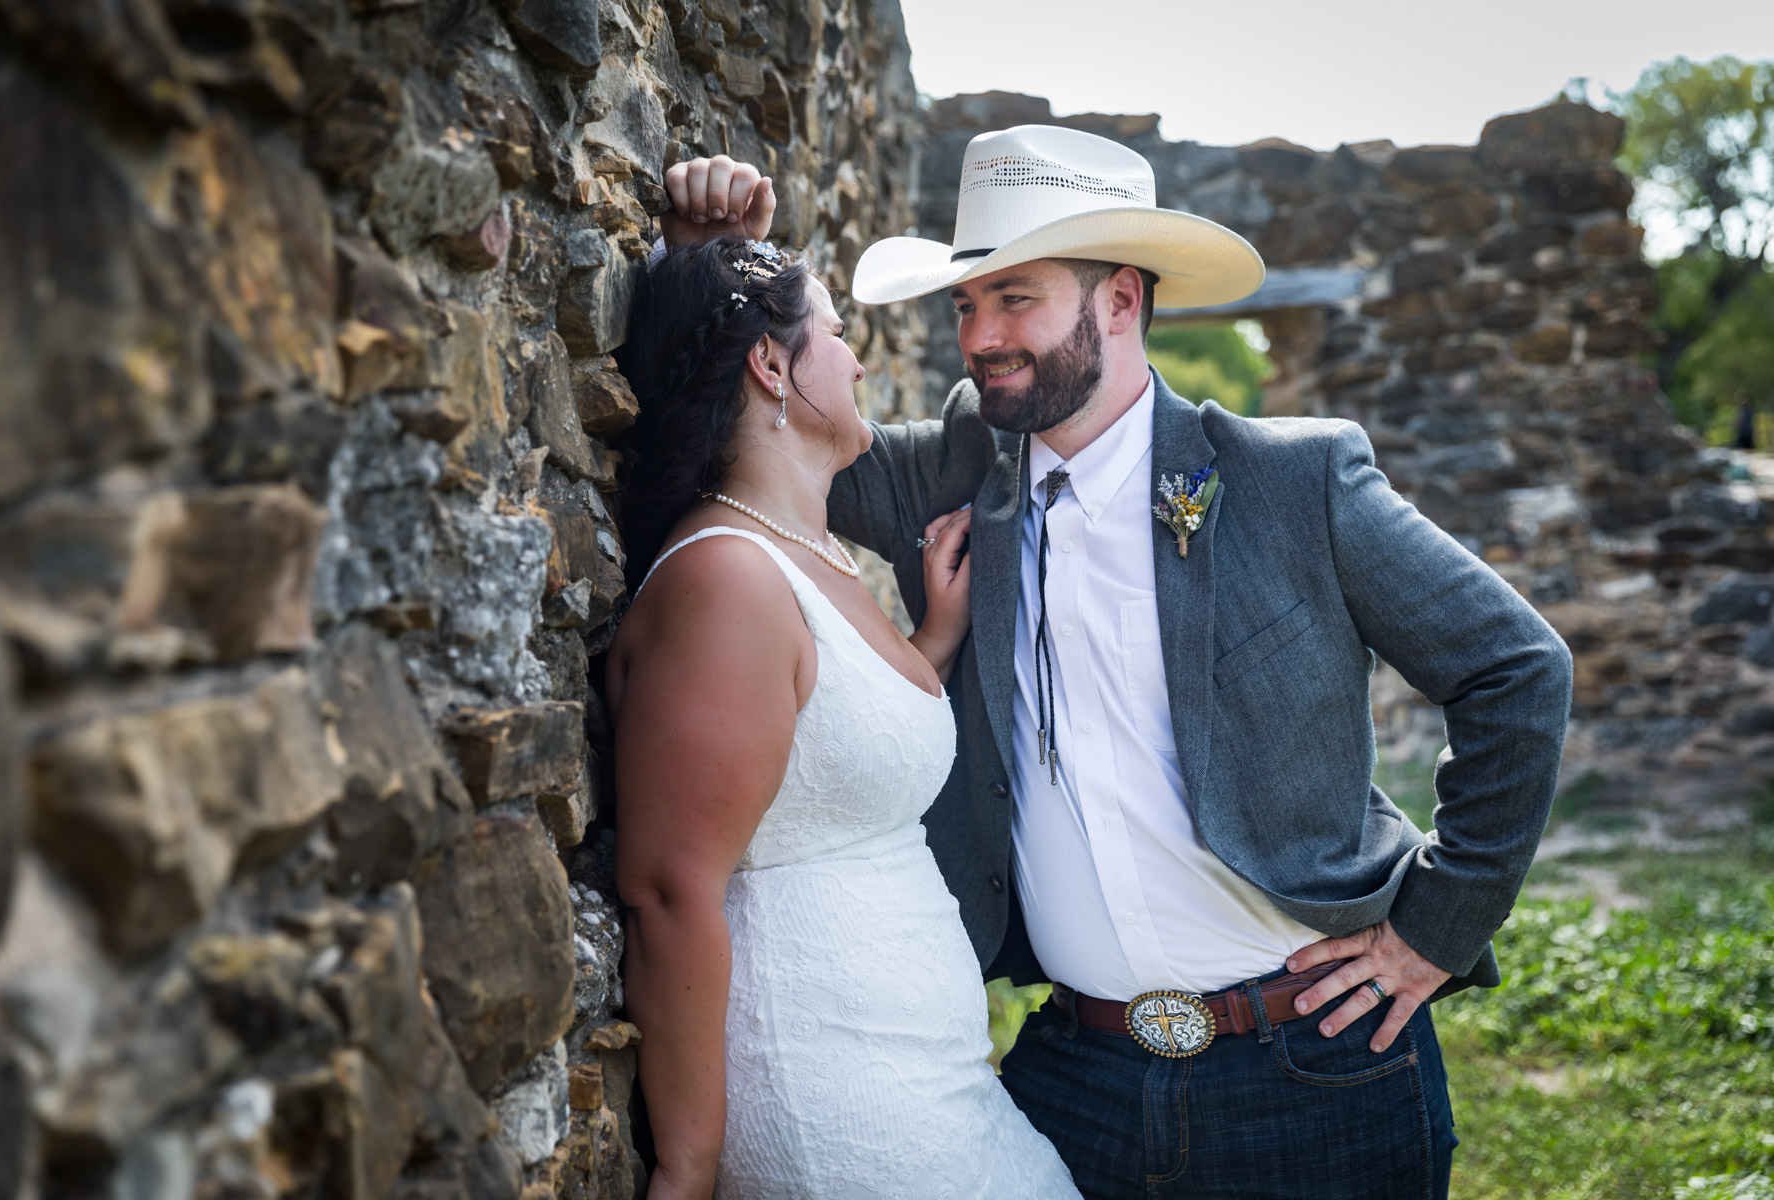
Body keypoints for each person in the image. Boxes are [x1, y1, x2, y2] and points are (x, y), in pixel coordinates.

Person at [658, 124, 1574, 1199]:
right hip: (1078, 1076)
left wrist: (1434, 930)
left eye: (1018, 299)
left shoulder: (1297, 481)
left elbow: (1518, 669)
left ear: (1121, 303)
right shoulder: (958, 466)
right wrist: (718, 275)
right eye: (966, 304)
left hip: (1322, 1070)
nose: (982, 337)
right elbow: (760, 444)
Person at [605, 229, 1082, 1199]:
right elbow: (668, 888)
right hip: (837, 1105)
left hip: (931, 1088)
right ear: (772, 364)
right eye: (833, 332)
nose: (860, 357)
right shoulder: (725, 578)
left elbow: (826, 748)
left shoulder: (806, 548)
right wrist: (688, 1169)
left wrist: (932, 642)